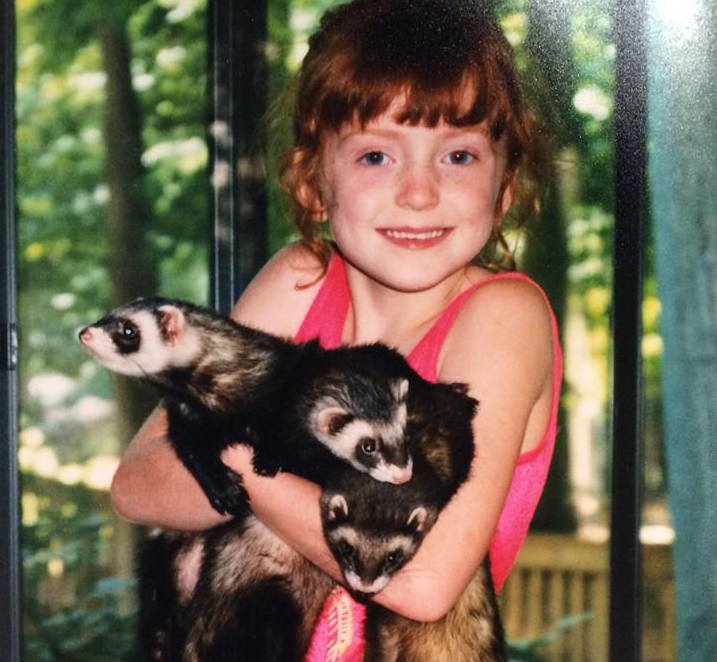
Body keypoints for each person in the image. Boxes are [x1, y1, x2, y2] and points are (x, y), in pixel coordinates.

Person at [111, 0, 562, 659]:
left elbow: (424, 583)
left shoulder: (502, 316)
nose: (418, 192)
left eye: (458, 155)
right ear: (313, 183)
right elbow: (138, 483)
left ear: (505, 187)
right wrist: (290, 457)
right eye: (377, 156)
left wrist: (247, 453)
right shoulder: (300, 282)